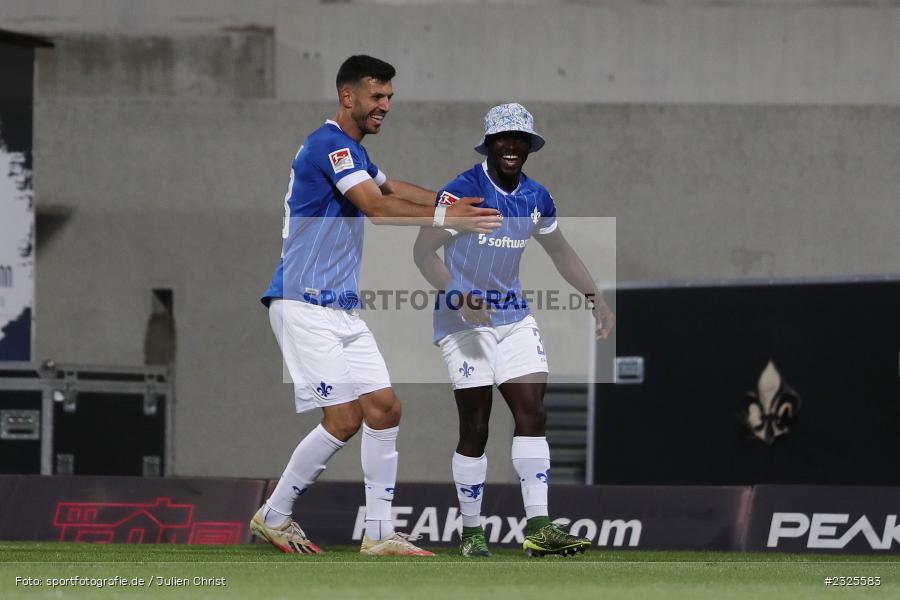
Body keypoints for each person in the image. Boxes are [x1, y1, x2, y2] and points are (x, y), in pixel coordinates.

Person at [251, 55, 502, 556]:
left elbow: (391, 187)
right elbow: (377, 207)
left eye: (389, 97)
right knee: (343, 418)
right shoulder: (330, 146)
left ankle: (380, 533)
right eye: (376, 97)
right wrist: (444, 218)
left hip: (340, 308)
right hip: (302, 302)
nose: (385, 105)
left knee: (384, 409)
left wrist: (449, 205)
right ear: (348, 97)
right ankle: (274, 515)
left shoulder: (354, 153)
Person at [413, 103, 615, 557]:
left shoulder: (537, 197)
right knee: (477, 424)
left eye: (519, 139)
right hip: (462, 321)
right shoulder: (463, 191)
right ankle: (471, 532)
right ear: (488, 144)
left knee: (533, 414)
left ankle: (540, 529)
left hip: (514, 317)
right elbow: (423, 253)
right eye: (503, 138)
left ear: (529, 146)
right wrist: (458, 294)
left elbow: (560, 251)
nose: (511, 146)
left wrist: (595, 298)